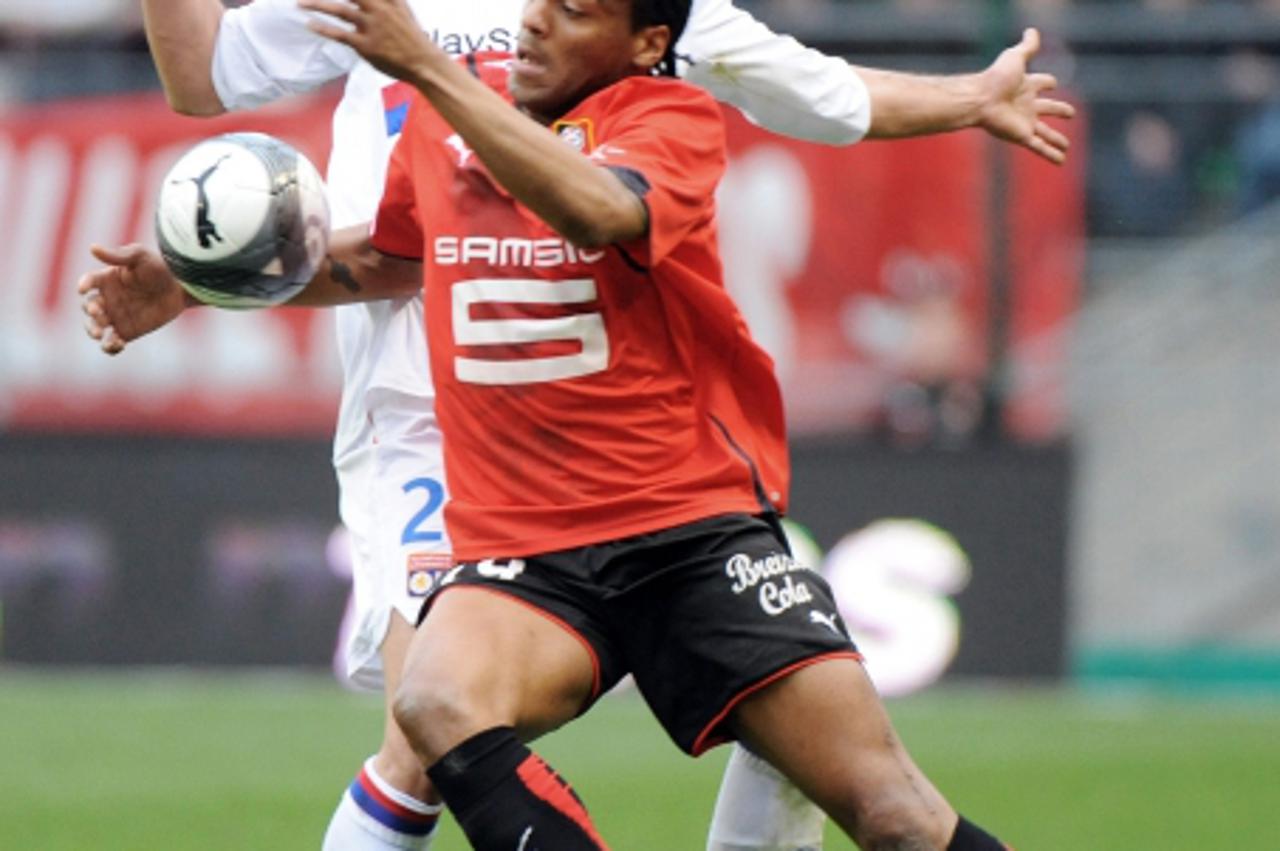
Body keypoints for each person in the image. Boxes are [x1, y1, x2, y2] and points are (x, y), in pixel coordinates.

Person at [82, 1, 1071, 848]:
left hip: (678, 511)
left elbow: (791, 109)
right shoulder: (437, 100)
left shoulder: (666, 105)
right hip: (478, 475)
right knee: (423, 720)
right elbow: (371, 234)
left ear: (645, 41)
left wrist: (966, 99)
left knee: (867, 793)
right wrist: (201, 282)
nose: (535, 24)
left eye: (573, 9)